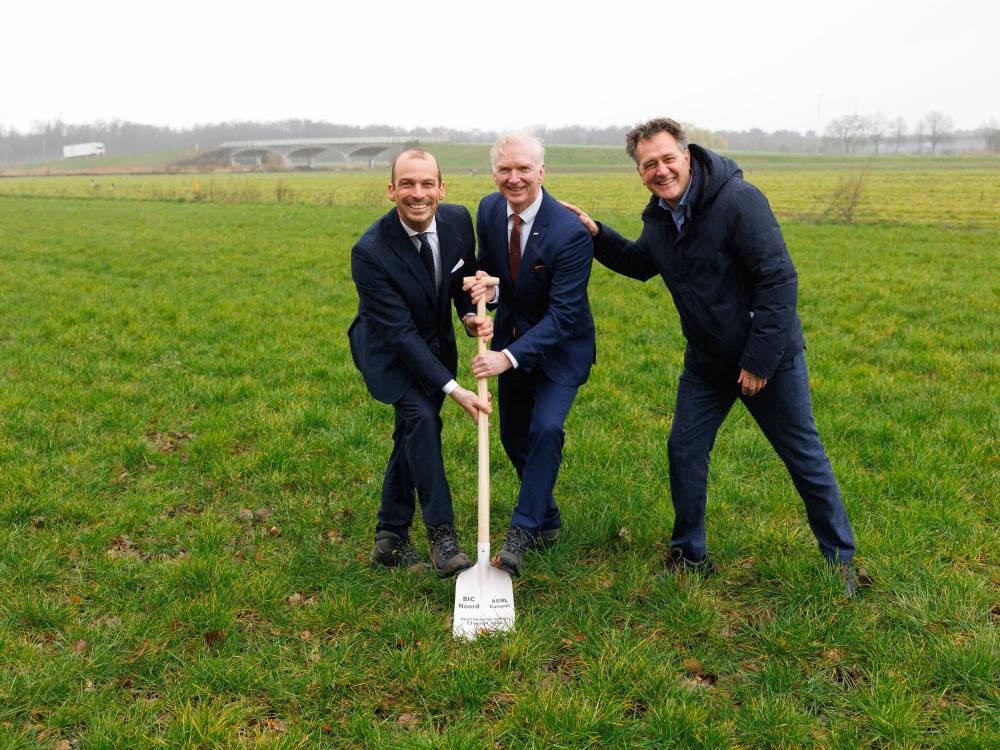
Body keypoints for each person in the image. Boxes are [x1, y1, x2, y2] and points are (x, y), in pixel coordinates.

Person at [561, 117, 858, 595]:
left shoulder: (739, 201)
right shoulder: (659, 216)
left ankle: (840, 560)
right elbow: (642, 264)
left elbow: (778, 281)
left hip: (769, 360)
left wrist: (759, 361)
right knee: (684, 450)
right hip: (706, 364)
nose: (660, 171)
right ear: (639, 172)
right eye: (648, 165)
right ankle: (689, 554)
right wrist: (596, 234)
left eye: (667, 159)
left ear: (687, 155)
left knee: (803, 456)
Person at [349, 148, 493, 577]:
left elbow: (458, 285)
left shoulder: (457, 220)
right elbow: (398, 334)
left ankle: (390, 537)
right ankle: (442, 536)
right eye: (407, 184)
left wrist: (469, 317)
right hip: (388, 351)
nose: (418, 193)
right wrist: (455, 389)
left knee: (412, 432)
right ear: (391, 190)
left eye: (427, 183)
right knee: (423, 421)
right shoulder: (370, 251)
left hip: (433, 344)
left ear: (441, 188)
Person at [464, 134, 595, 578]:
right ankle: (549, 518)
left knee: (546, 428)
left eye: (522, 169)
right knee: (512, 437)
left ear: (542, 172)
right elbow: (493, 270)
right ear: (494, 173)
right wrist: (486, 295)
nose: (513, 178)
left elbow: (563, 315)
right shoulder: (488, 209)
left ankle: (522, 533)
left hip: (561, 349)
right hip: (512, 338)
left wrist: (508, 357)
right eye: (504, 169)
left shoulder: (570, 233)